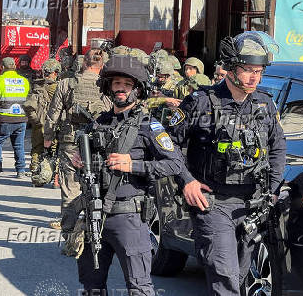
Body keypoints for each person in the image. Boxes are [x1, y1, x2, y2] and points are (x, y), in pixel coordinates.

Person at [168, 31, 286, 296]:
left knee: (241, 276)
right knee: (225, 276)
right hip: (213, 203)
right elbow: (167, 144)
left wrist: (274, 188)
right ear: (230, 69)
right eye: (247, 70)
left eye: (259, 71)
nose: (254, 77)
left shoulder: (265, 105)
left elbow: (278, 147)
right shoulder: (199, 102)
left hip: (253, 204)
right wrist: (187, 181)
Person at [75, 54, 184, 296]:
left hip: (129, 218)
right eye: (116, 84)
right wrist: (79, 162)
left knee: (139, 289)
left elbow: (174, 164)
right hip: (96, 215)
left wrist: (133, 165)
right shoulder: (97, 124)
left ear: (138, 90)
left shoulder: (149, 126)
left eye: (127, 85)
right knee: (91, 287)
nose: (121, 89)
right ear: (108, 87)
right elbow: (88, 167)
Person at [44, 49, 110, 231]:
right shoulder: (106, 86)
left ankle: (69, 235)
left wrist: (47, 140)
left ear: (83, 63)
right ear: (102, 65)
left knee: (70, 189)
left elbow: (53, 115)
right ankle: (96, 231)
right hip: (98, 143)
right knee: (98, 186)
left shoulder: (66, 83)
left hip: (70, 141)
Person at [0, 57, 30, 180]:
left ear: (2, 67)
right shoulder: (24, 81)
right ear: (15, 67)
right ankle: (21, 170)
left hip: (3, 118)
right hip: (21, 119)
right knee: (19, 145)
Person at [22, 58, 61, 181]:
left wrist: (36, 121)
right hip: (55, 124)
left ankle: (35, 175)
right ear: (56, 72)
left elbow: (28, 106)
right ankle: (56, 178)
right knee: (56, 150)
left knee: (37, 149)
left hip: (39, 125)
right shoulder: (60, 87)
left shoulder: (37, 86)